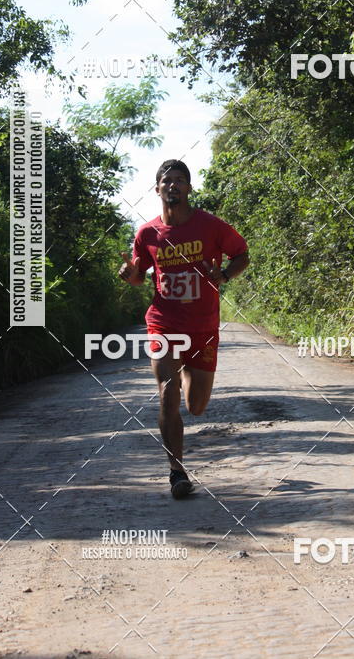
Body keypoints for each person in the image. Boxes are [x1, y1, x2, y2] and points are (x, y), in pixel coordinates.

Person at [118, 159, 249, 498]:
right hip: (164, 324)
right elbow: (139, 276)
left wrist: (224, 275)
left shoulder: (211, 226)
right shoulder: (147, 234)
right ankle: (177, 472)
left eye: (179, 180)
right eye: (167, 180)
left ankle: (186, 372)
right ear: (157, 188)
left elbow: (242, 254)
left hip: (202, 327)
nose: (173, 185)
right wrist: (130, 275)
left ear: (189, 188)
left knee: (197, 407)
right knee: (167, 393)